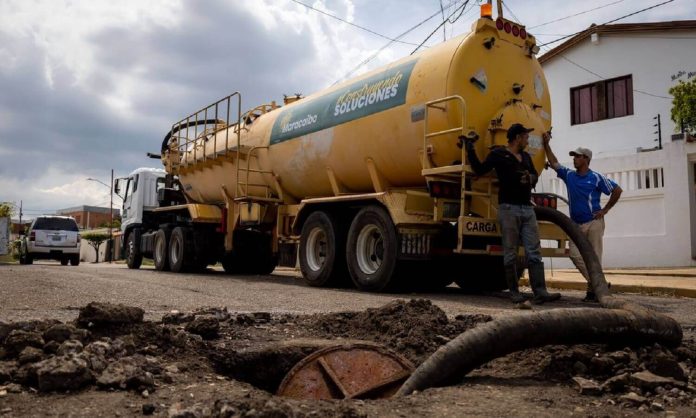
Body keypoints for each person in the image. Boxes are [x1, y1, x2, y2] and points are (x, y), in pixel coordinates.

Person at [465, 123, 561, 304]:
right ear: (517, 138)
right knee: (511, 252)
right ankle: (514, 292)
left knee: (534, 251)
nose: (527, 140)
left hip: (527, 208)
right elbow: (480, 169)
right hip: (508, 208)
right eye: (525, 137)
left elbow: (534, 174)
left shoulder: (525, 156)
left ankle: (540, 292)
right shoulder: (498, 155)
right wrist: (470, 147)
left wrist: (529, 178)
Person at [542, 132, 623, 301]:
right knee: (574, 254)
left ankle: (592, 292)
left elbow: (617, 190)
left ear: (586, 159)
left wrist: (605, 210)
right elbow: (554, 163)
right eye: (574, 157)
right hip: (576, 225)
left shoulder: (596, 177)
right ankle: (599, 284)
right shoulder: (569, 175)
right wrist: (546, 144)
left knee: (594, 257)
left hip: (594, 223)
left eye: (577, 156)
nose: (574, 159)